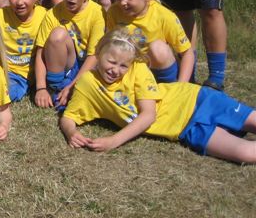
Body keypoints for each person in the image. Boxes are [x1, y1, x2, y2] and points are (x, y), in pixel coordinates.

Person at [60, 28, 256, 164]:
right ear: (98, 54)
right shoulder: (88, 83)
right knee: (248, 153)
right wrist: (71, 133)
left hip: (197, 99)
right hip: (186, 129)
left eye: (123, 66)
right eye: (111, 62)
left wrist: (113, 141)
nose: (115, 70)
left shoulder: (138, 69)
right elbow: (68, 117)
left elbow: (149, 115)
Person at [33, 0, 105, 110]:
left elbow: (94, 56)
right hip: (67, 64)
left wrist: (73, 86)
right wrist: (41, 88)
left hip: (88, 66)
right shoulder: (52, 13)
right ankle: (56, 87)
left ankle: (72, 90)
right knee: (58, 35)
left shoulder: (98, 13)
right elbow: (40, 53)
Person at [107, 0, 195, 83]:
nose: (122, 2)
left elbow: (187, 53)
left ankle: (167, 86)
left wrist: (181, 85)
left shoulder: (164, 16)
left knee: (158, 48)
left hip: (157, 68)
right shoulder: (114, 11)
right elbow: (109, 44)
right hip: (129, 68)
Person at [0, 0, 47, 101]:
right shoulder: (0, 15)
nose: (20, 2)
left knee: (5, 93)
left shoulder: (44, 16)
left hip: (25, 74)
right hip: (3, 70)